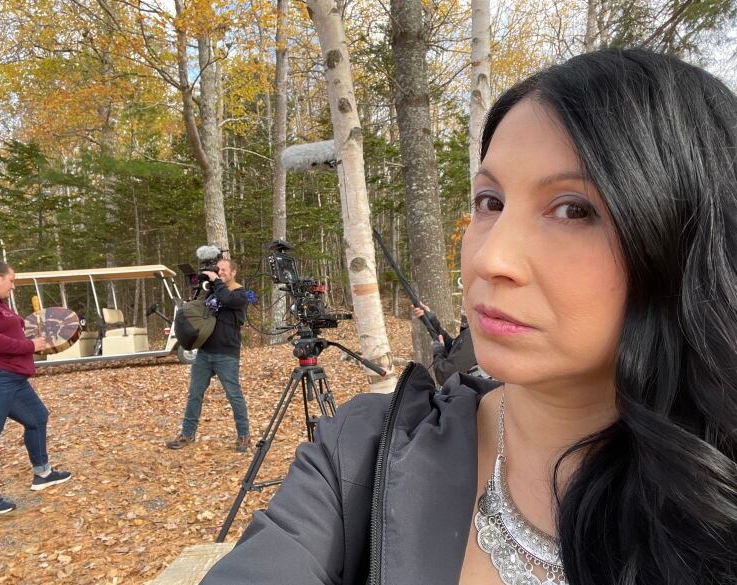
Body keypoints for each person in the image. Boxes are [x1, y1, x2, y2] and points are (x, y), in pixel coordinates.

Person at [201, 48, 736, 585]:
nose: (488, 258)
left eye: (574, 209)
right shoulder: (360, 457)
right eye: (490, 202)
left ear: (689, 245)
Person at [0, 257, 72, 516]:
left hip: (9, 376)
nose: (13, 286)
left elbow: (10, 332)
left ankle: (43, 473)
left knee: (37, 417)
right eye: (12, 280)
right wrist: (30, 346)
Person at [166, 258, 251, 452]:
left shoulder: (240, 294)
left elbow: (227, 300)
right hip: (205, 352)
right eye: (217, 269)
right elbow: (201, 308)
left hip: (226, 353)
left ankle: (244, 436)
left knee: (234, 395)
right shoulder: (212, 290)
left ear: (233, 272)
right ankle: (187, 434)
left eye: (223, 270)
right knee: (194, 394)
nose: (219, 272)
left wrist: (216, 281)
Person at [411, 302, 479, 385]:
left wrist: (439, 353)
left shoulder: (476, 335)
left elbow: (445, 374)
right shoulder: (472, 332)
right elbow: (454, 348)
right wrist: (431, 320)